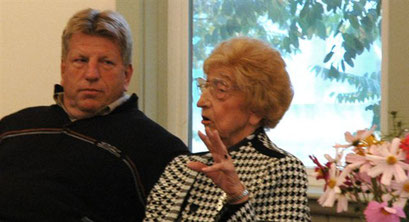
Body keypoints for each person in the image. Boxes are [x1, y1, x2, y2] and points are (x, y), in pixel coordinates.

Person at [0, 8, 187, 222]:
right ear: (63, 69)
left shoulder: (158, 149)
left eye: (106, 62)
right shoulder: (13, 128)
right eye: (80, 60)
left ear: (126, 75)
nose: (91, 74)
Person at [144, 37, 311, 221]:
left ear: (256, 108)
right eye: (204, 87)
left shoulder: (281, 169)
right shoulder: (181, 168)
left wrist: (237, 196)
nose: (201, 102)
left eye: (220, 89)